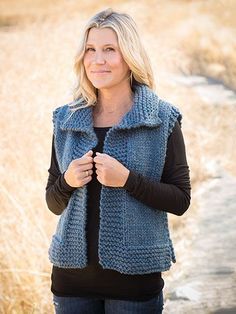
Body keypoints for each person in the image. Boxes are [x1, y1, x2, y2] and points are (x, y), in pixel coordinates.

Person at [45, 8, 191, 314]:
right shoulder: (66, 119)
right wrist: (68, 181)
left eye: (109, 49)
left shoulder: (161, 118)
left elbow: (180, 200)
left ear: (130, 56)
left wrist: (128, 180)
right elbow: (53, 202)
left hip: (134, 287)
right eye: (90, 50)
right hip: (71, 284)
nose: (98, 60)